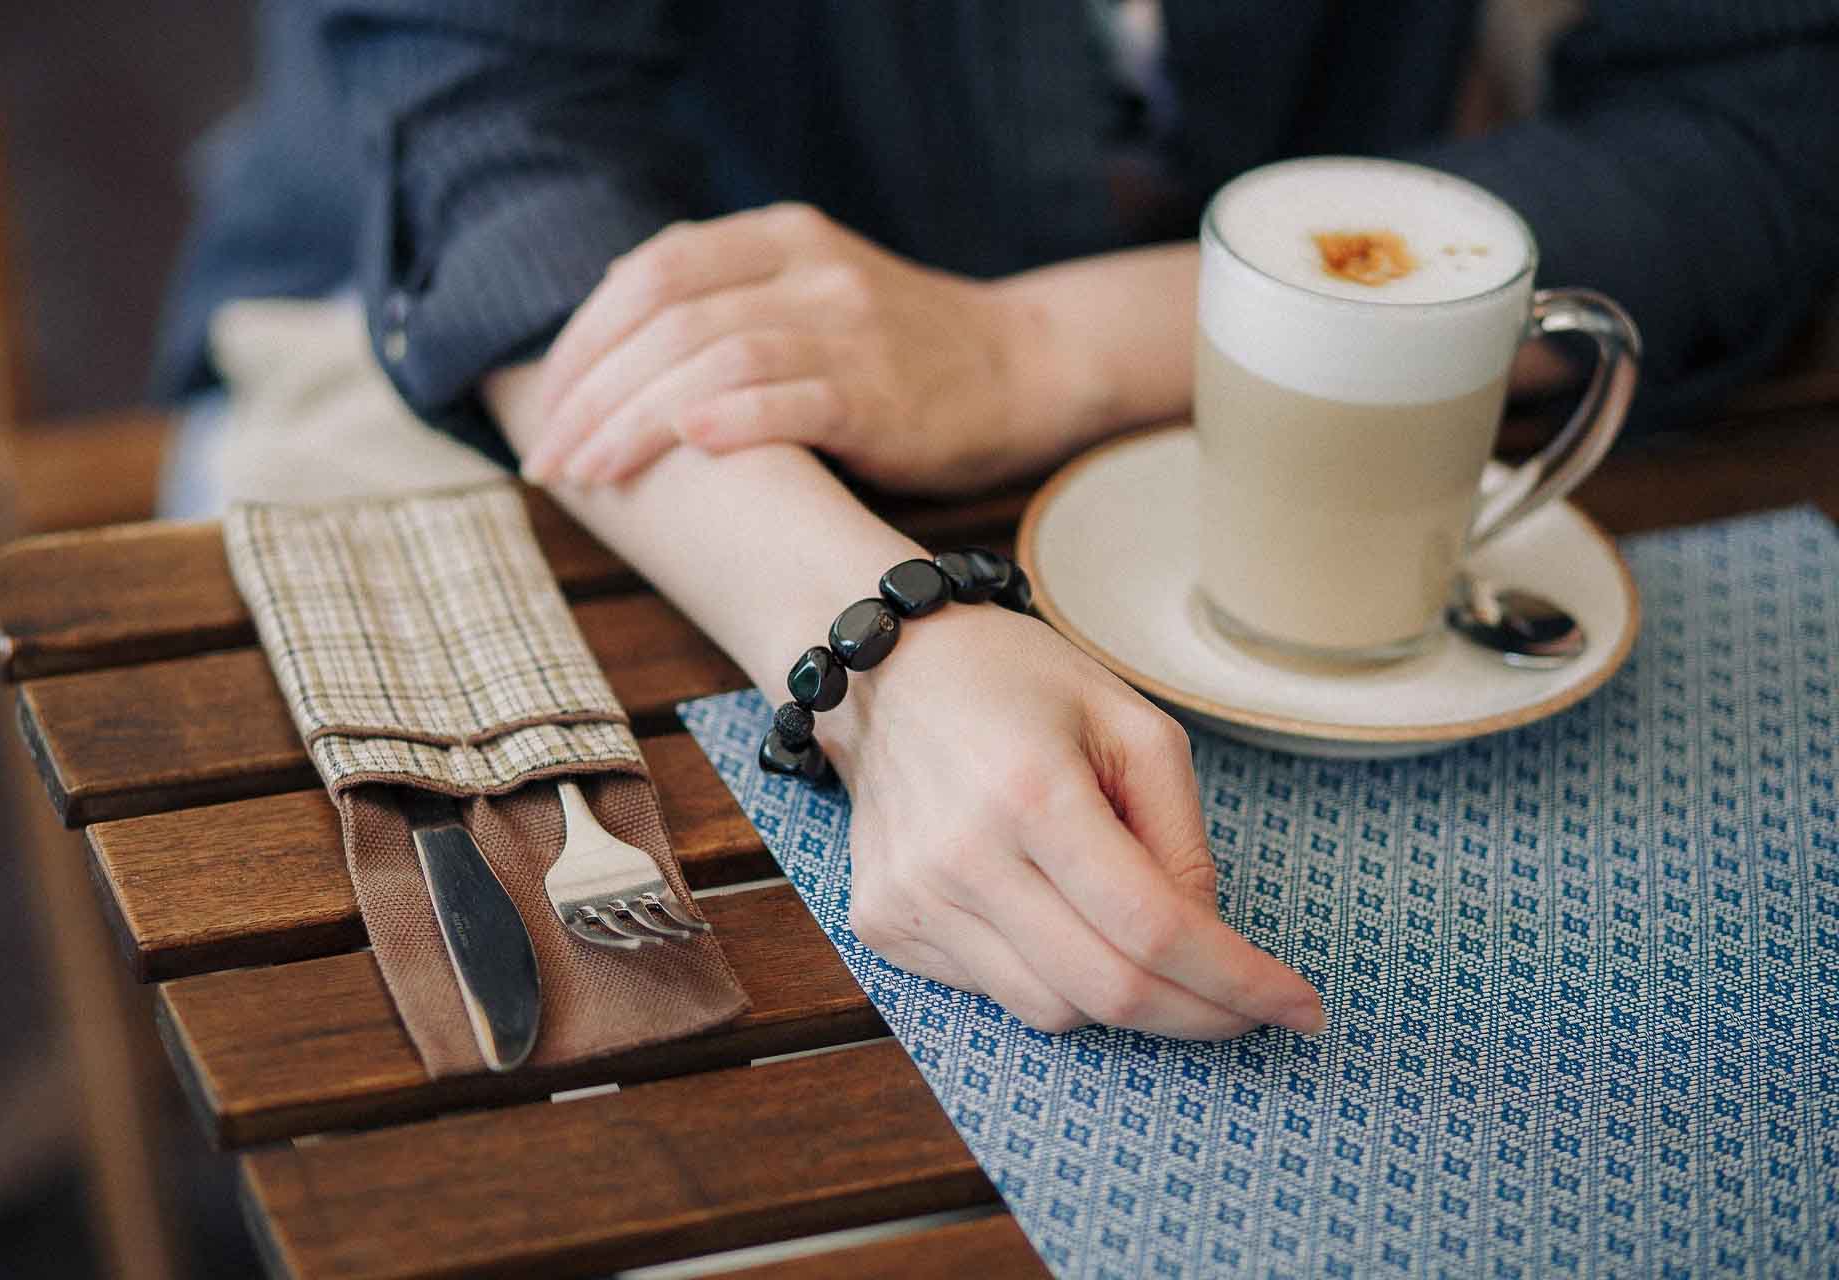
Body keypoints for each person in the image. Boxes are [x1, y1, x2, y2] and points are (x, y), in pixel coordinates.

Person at [154, 2, 1839, 1040]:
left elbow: (1765, 119)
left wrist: (1042, 347)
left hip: (1198, 341)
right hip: (498, 356)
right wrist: (876, 637)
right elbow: (488, 152)